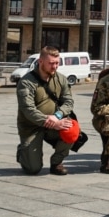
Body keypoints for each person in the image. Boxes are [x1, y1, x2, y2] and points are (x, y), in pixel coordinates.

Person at [16, 46, 75, 175]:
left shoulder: (61, 79)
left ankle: (56, 162)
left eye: (57, 63)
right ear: (40, 62)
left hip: (55, 122)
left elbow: (68, 102)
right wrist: (51, 121)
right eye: (51, 63)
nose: (54, 67)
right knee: (33, 169)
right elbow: (28, 110)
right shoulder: (26, 82)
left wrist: (58, 116)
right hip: (32, 126)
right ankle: (23, 151)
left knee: (72, 129)